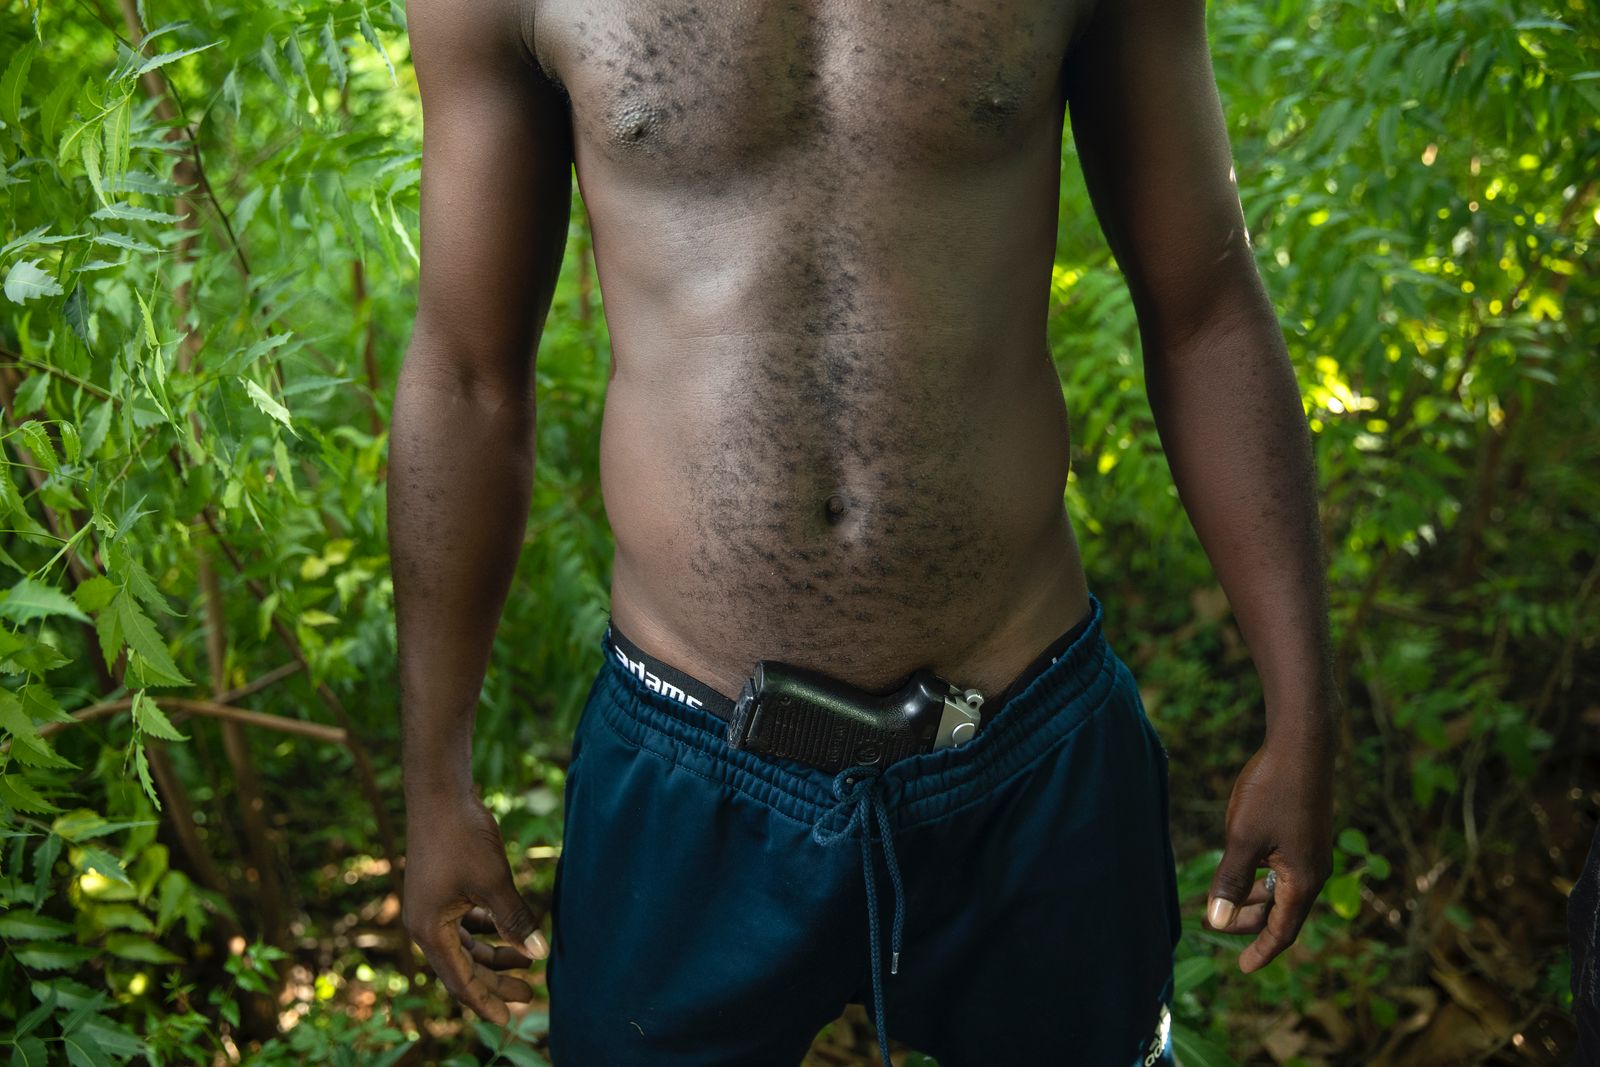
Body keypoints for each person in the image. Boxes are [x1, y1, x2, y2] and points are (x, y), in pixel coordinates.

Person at [388, 0, 1337, 1063]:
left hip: (1023, 735)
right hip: (687, 749)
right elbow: (468, 375)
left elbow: (1204, 307)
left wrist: (1304, 709)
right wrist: (436, 780)